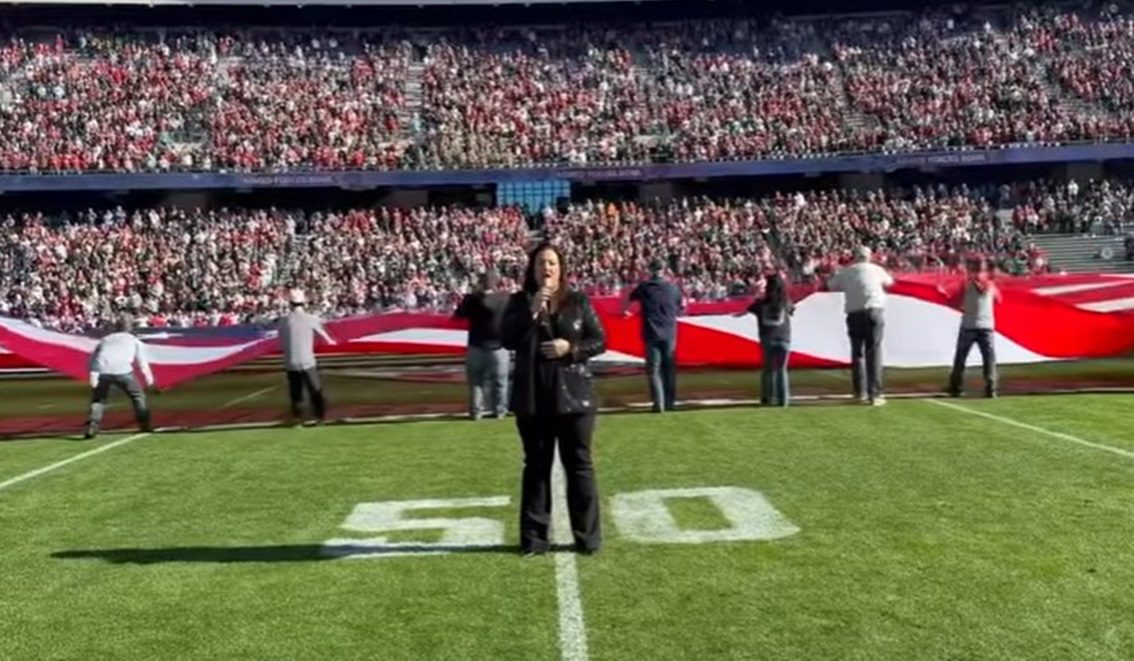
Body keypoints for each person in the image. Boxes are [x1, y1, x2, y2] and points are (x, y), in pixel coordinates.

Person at [501, 243, 606, 556]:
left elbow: (600, 340)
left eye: (552, 262)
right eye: (540, 263)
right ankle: (534, 539)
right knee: (536, 467)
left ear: (561, 268)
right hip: (534, 399)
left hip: (575, 397)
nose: (546, 268)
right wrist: (532, 309)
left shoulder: (578, 301)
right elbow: (507, 339)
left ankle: (587, 538)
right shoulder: (519, 302)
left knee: (580, 466)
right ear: (532, 270)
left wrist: (570, 348)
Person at [827, 246, 894, 406]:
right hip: (874, 311)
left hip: (854, 314)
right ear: (869, 257)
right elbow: (890, 282)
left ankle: (860, 392)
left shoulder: (846, 271)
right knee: (874, 351)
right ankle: (875, 393)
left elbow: (830, 285)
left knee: (857, 353)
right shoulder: (876, 270)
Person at [623, 259, 683, 412]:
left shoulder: (645, 288)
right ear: (664, 271)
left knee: (654, 370)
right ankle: (670, 402)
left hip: (651, 332)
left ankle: (659, 403)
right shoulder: (673, 288)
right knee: (668, 369)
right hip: (669, 332)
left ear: (650, 271)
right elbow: (680, 306)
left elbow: (628, 299)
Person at [85, 315, 154, 439]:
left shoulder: (105, 339)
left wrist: (93, 374)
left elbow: (94, 358)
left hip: (103, 370)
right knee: (137, 396)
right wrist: (150, 382)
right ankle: (144, 424)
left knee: (99, 399)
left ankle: (93, 424)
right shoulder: (134, 341)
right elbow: (142, 363)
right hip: (123, 370)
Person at [941, 256, 1001, 398]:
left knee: (960, 357)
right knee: (989, 358)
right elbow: (999, 300)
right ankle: (991, 387)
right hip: (987, 325)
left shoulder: (966, 283)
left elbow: (955, 302)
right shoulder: (991, 284)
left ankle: (955, 387)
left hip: (969, 325)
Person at [454, 270, 511, 420]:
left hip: (476, 346)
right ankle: (499, 411)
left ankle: (476, 412)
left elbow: (458, 316)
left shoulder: (472, 299)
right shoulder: (504, 299)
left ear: (480, 282)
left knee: (475, 382)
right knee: (500, 382)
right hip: (499, 347)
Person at [278, 289, 336, 425]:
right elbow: (326, 337)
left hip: (291, 362)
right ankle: (319, 418)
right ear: (304, 304)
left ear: (290, 304)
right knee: (315, 390)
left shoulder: (283, 321)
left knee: (295, 393)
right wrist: (332, 342)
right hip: (307, 361)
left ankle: (297, 419)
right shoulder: (312, 319)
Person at [739, 273, 794, 407]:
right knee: (782, 370)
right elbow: (792, 311)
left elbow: (747, 308)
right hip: (784, 338)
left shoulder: (760, 304)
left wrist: (757, 293)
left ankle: (767, 399)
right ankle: (784, 401)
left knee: (768, 369)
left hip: (767, 338)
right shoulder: (786, 302)